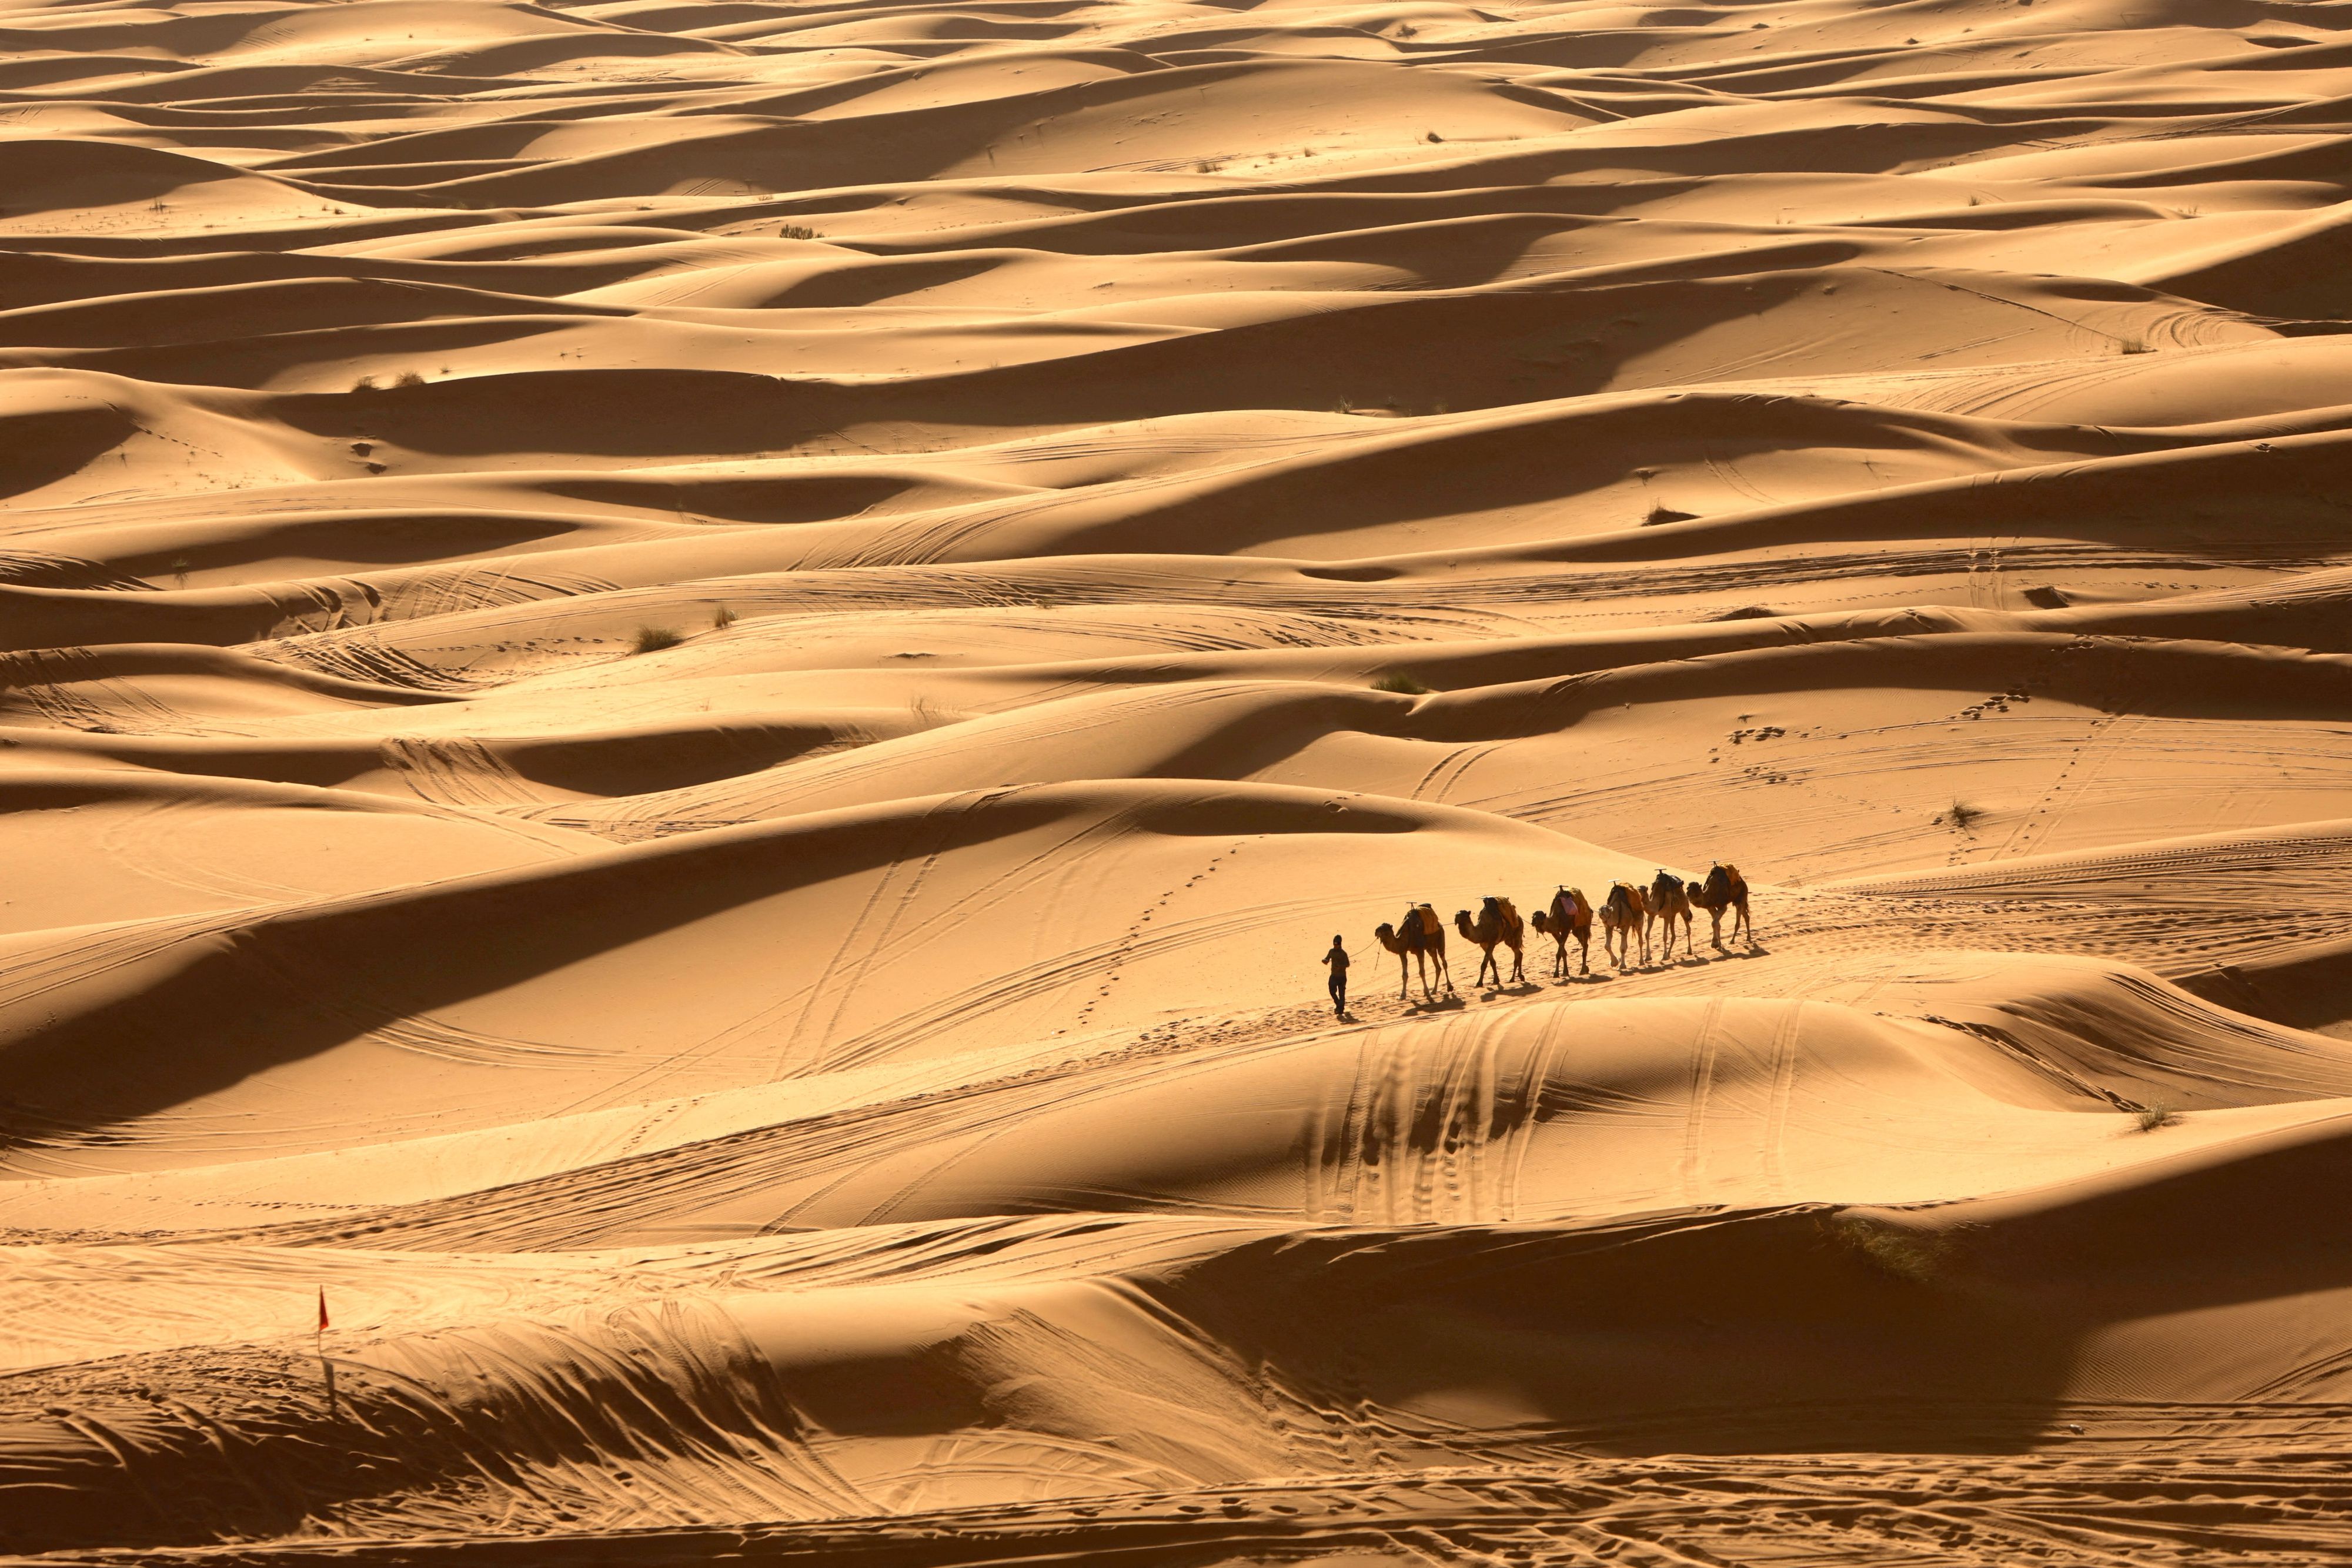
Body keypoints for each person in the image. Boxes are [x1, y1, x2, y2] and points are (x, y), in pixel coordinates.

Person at [1322, 934, 1350, 1016]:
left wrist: (1340, 966)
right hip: (1334, 976)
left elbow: (1348, 964)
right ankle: (1339, 1005)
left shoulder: (1343, 953)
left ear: (1340, 944)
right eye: (1334, 944)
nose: (1335, 945)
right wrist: (1325, 961)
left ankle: (1340, 1009)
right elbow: (1327, 959)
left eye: (1337, 944)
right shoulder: (1331, 951)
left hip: (1342, 977)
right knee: (1332, 991)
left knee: (1342, 994)